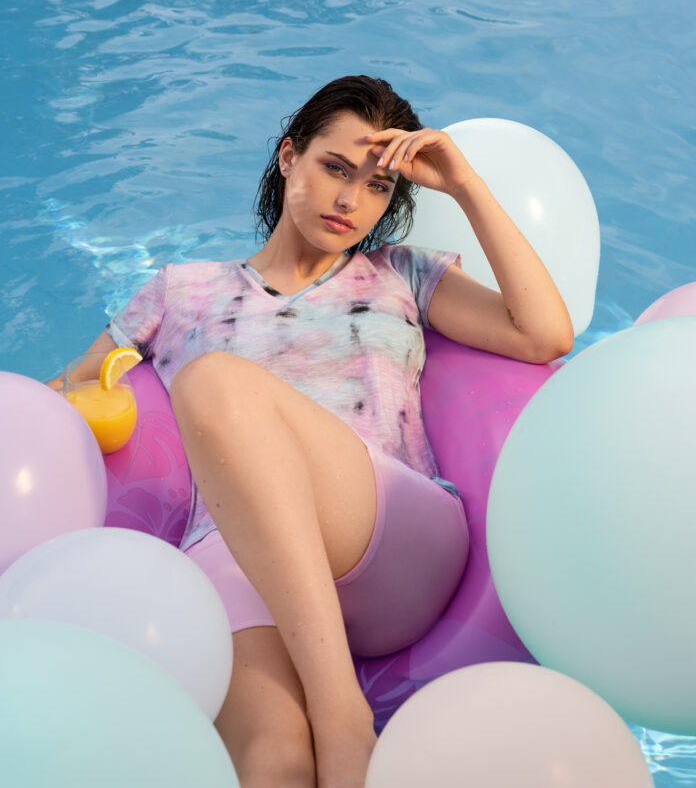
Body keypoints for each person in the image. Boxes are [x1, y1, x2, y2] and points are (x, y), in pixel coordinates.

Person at [48, 75, 574, 788]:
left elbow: (544, 334)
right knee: (273, 763)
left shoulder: (400, 276)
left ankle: (342, 716)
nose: (351, 200)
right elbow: (64, 403)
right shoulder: (178, 291)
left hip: (386, 530)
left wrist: (464, 183)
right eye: (334, 167)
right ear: (288, 156)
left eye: (378, 186)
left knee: (214, 383)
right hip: (234, 555)